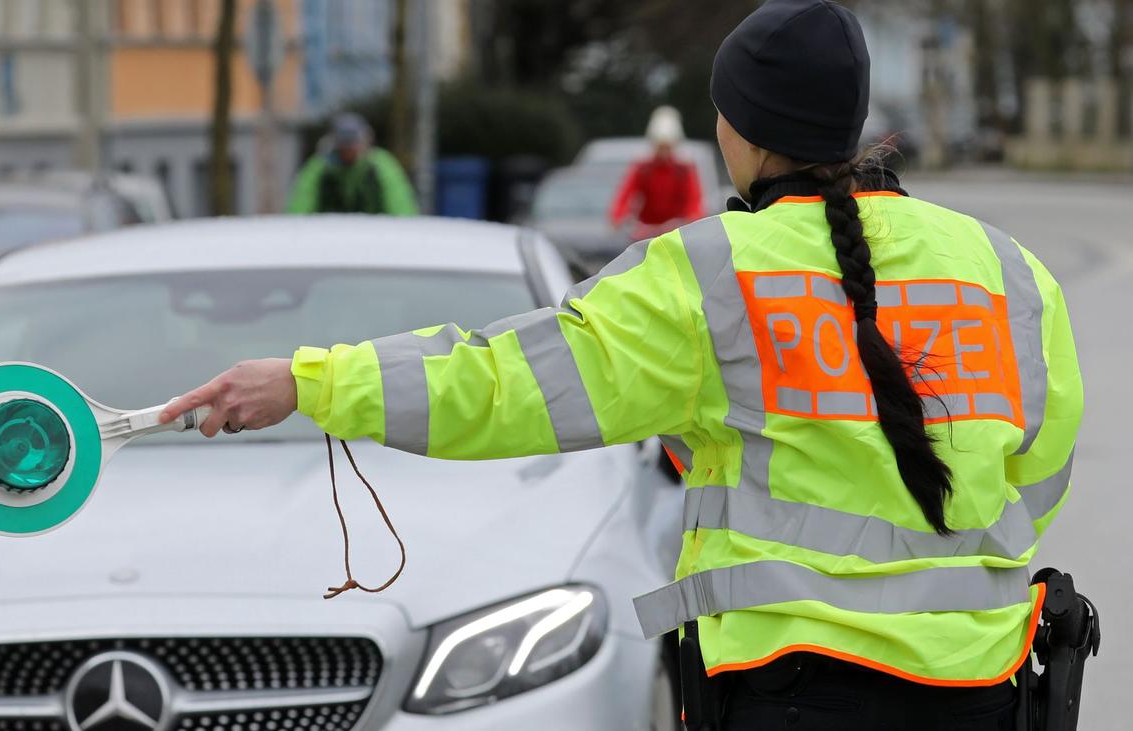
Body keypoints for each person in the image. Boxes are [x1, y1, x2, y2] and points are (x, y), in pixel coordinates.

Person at [161, 1, 1081, 728]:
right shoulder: (1008, 269)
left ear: (744, 131)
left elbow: (502, 384)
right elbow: (1039, 470)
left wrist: (311, 382)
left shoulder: (710, 275)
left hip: (794, 690)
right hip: (985, 687)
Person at [286, 113, 419, 215]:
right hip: (329, 233)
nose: (349, 149)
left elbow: (400, 204)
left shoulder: (380, 166)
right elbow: (301, 203)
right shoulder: (321, 168)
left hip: (375, 234)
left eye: (353, 142)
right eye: (344, 143)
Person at [608, 106, 705, 240]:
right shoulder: (643, 169)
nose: (664, 152)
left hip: (677, 234)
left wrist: (692, 220)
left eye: (667, 147)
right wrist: (618, 216)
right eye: (661, 147)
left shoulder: (683, 171)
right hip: (646, 235)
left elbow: (694, 201)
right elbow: (625, 195)